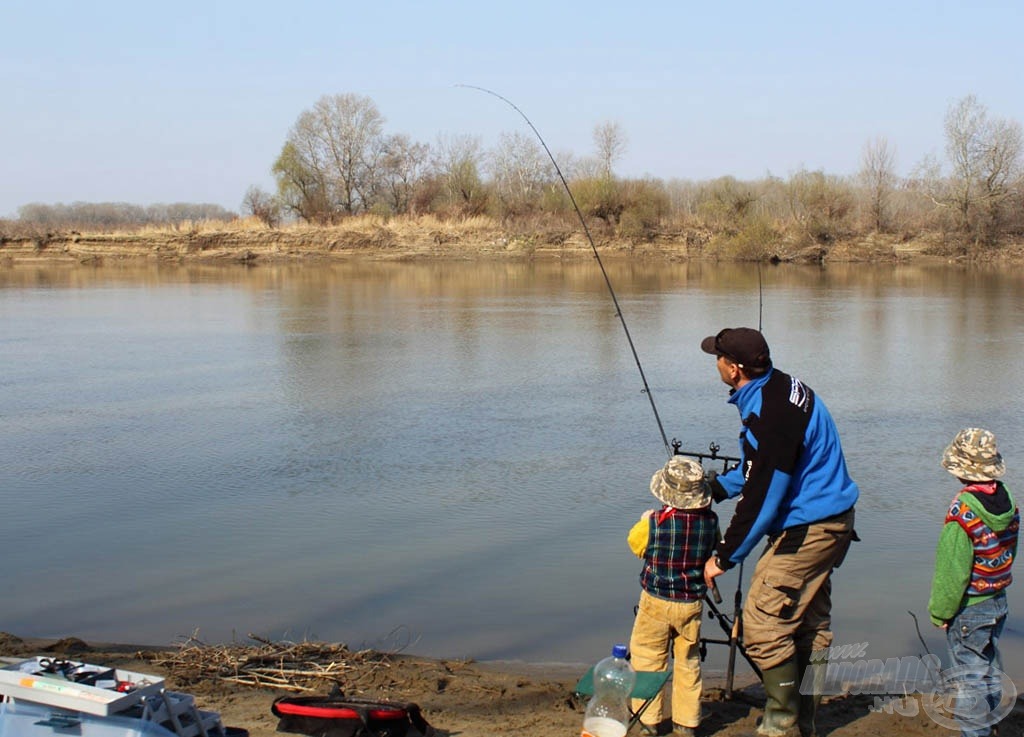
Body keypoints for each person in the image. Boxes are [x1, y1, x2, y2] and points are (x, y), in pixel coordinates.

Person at [699, 327, 859, 737]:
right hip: (833, 517)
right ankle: (803, 722)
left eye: (717, 357)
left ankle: (782, 725)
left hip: (811, 527)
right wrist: (718, 487)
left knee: (762, 626)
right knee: (809, 624)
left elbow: (765, 497)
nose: (714, 363)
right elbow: (762, 468)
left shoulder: (772, 414)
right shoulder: (779, 385)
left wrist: (723, 557)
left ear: (734, 369)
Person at [928, 428, 1018, 737]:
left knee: (968, 678)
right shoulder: (1008, 502)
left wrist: (941, 612)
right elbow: (1010, 550)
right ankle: (990, 723)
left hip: (969, 607)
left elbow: (952, 572)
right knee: (989, 666)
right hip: (998, 599)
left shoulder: (961, 512)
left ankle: (976, 732)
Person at [627, 455, 718, 737]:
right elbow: (713, 547)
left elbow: (636, 545)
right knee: (688, 662)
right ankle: (686, 723)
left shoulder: (654, 521)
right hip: (691, 602)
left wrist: (645, 520)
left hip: (655, 600)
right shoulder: (710, 522)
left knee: (647, 658)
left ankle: (648, 720)